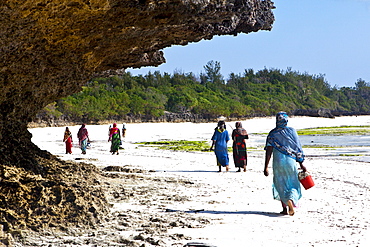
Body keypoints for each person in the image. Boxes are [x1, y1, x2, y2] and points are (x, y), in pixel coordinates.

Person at [263, 112, 307, 216]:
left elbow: (268, 151)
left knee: (280, 183)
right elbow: (297, 148)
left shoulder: (272, 134)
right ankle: (291, 200)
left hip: (278, 162)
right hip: (290, 161)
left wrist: (266, 167)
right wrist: (301, 164)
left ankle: (284, 208)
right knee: (292, 183)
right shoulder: (292, 132)